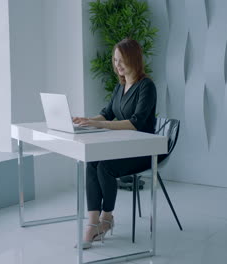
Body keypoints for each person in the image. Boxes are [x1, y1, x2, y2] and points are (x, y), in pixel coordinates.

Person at [72, 38, 157, 249]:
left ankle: (107, 219)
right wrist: (86, 121)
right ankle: (93, 223)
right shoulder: (120, 87)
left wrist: (101, 124)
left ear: (134, 59)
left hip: (143, 149)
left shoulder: (146, 86)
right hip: (123, 147)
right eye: (115, 60)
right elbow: (107, 113)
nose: (117, 65)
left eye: (121, 60)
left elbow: (136, 123)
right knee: (91, 161)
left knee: (106, 167)